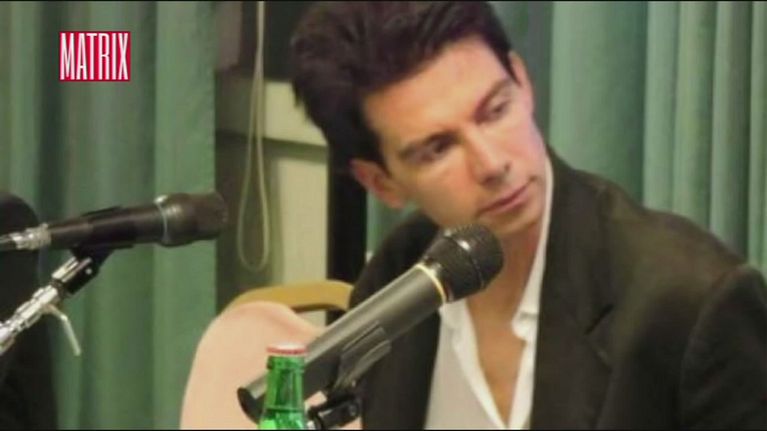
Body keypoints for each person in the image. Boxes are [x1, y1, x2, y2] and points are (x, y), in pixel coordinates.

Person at [288, 2, 767, 429]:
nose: (492, 163)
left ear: (522, 80)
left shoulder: (690, 302)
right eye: (438, 149)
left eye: (495, 110)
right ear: (381, 182)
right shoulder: (396, 280)